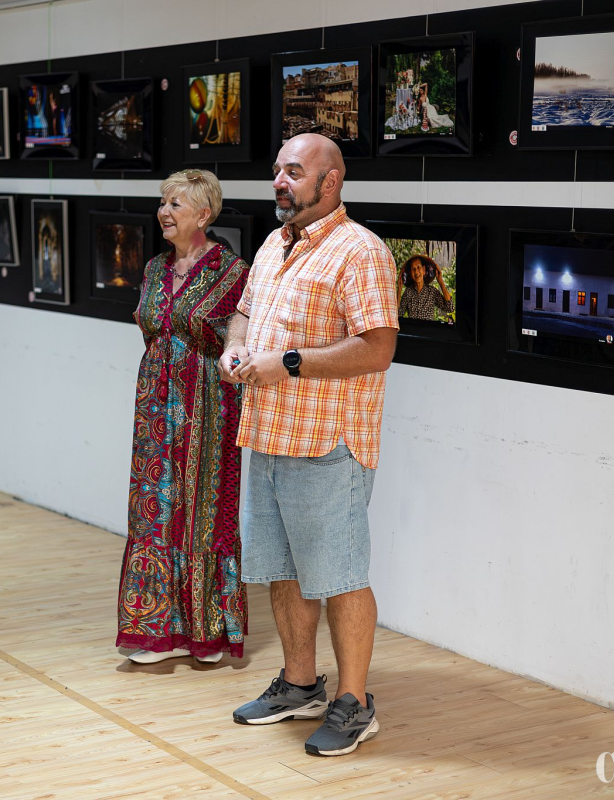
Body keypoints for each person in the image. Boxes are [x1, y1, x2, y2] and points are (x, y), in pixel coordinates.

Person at [221, 133, 398, 757]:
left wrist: (289, 362)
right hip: (269, 436)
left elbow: (378, 348)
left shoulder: (361, 251)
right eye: (277, 171)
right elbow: (245, 312)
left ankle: (354, 703)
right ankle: (300, 684)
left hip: (328, 445)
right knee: (283, 571)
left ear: (331, 181)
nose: (280, 182)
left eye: (294, 172)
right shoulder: (274, 244)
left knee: (341, 577)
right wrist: (236, 347)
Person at [116, 169, 250, 665]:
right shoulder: (154, 268)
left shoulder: (232, 272)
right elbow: (151, 331)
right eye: (163, 203)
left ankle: (205, 630)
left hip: (208, 406)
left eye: (176, 204)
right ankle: (157, 628)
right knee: (154, 508)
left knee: (202, 511)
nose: (164, 212)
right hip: (154, 406)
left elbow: (239, 341)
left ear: (204, 213)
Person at [397, 254, 454, 321]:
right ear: (410, 273)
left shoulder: (432, 292)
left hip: (428, 328)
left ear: (424, 270)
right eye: (413, 269)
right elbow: (398, 315)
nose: (416, 272)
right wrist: (399, 290)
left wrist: (440, 282)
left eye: (418, 267)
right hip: (413, 327)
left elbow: (450, 308)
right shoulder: (408, 292)